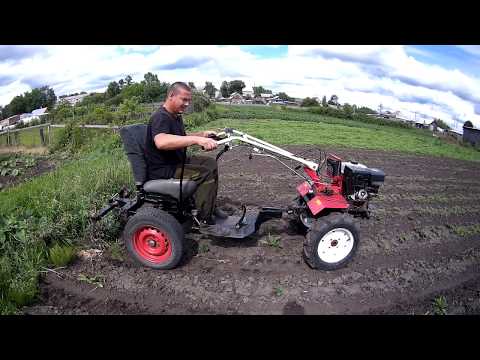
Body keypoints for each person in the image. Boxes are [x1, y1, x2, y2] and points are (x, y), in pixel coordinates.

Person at [144, 81, 226, 224]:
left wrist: (202, 135)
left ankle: (210, 207)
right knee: (204, 173)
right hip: (164, 169)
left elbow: (181, 137)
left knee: (210, 162)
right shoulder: (161, 117)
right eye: (184, 99)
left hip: (176, 161)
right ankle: (204, 218)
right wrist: (195, 140)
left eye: (189, 100)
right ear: (171, 95)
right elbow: (161, 141)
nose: (187, 104)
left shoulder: (176, 115)